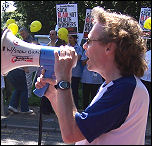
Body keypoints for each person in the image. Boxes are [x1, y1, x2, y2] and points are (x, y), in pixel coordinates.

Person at [35, 6, 149, 145]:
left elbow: (71, 133)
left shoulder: (125, 89)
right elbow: (79, 125)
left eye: (89, 41)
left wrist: (64, 79)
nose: (84, 46)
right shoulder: (114, 86)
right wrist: (54, 94)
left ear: (109, 48)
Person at [19, 27, 38, 98]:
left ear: (27, 32)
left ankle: (29, 95)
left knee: (29, 80)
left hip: (31, 62)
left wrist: (25, 66)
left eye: (23, 33)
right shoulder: (26, 40)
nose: (22, 35)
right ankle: (28, 95)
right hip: (29, 62)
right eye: (21, 34)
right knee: (28, 80)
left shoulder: (30, 40)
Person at [68, 34, 83, 109]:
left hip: (75, 73)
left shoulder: (79, 48)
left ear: (75, 39)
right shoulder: (66, 47)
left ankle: (75, 106)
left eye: (70, 38)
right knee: (67, 90)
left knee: (74, 90)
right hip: (67, 73)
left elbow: (78, 58)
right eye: (68, 38)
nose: (69, 39)